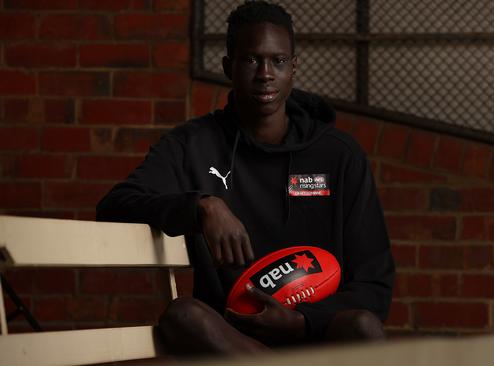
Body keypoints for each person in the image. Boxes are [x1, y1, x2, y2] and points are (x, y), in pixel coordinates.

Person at [96, 0, 394, 355]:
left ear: (294, 67)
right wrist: (202, 207)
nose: (265, 73)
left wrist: (302, 321)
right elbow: (114, 206)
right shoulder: (192, 145)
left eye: (278, 61)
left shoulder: (339, 155)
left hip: (317, 333)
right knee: (183, 316)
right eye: (251, 60)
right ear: (228, 67)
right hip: (236, 340)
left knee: (363, 325)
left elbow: (374, 285)